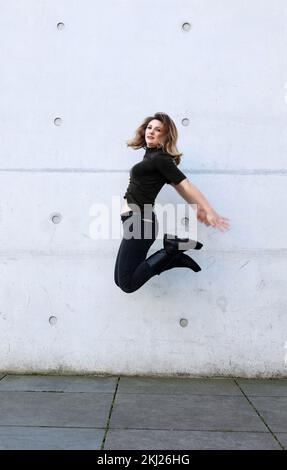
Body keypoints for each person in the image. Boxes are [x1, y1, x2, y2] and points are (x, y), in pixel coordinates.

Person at [114, 112, 230, 293]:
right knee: (119, 280)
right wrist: (196, 207)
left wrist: (207, 210)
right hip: (133, 220)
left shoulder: (161, 159)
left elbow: (186, 186)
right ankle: (172, 258)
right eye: (149, 127)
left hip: (141, 221)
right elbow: (179, 189)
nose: (151, 132)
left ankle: (170, 250)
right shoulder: (151, 156)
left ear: (166, 135)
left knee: (127, 285)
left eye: (158, 129)